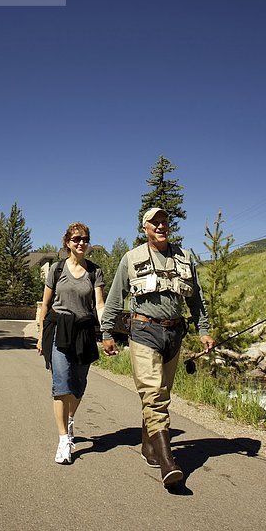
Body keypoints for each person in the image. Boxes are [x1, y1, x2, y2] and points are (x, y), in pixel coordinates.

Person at [100, 207, 214, 487]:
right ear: (145, 228)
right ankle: (168, 463)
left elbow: (196, 300)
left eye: (164, 222)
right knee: (154, 395)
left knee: (160, 392)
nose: (161, 226)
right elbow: (115, 297)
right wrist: (106, 332)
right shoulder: (131, 258)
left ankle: (149, 446)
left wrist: (204, 330)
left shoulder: (185, 257)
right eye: (155, 223)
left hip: (174, 335)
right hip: (143, 331)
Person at [37, 222, 105, 465]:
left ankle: (71, 418)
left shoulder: (95, 271)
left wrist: (106, 332)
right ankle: (63, 440)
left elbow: (99, 305)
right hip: (59, 329)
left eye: (85, 239)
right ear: (67, 242)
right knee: (61, 383)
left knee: (78, 384)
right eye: (76, 239)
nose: (81, 243)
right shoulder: (56, 269)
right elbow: (45, 304)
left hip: (84, 330)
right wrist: (40, 334)